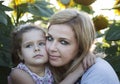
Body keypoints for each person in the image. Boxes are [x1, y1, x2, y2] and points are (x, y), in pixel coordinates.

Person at [46, 8, 120, 84]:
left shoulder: (98, 72)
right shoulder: (44, 66)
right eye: (49, 38)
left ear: (81, 46)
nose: (51, 48)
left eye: (63, 42)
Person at [9, 23, 95, 84]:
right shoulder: (18, 73)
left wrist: (86, 53)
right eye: (28, 46)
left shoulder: (50, 66)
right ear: (20, 54)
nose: (36, 49)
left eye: (41, 44)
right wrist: (78, 72)